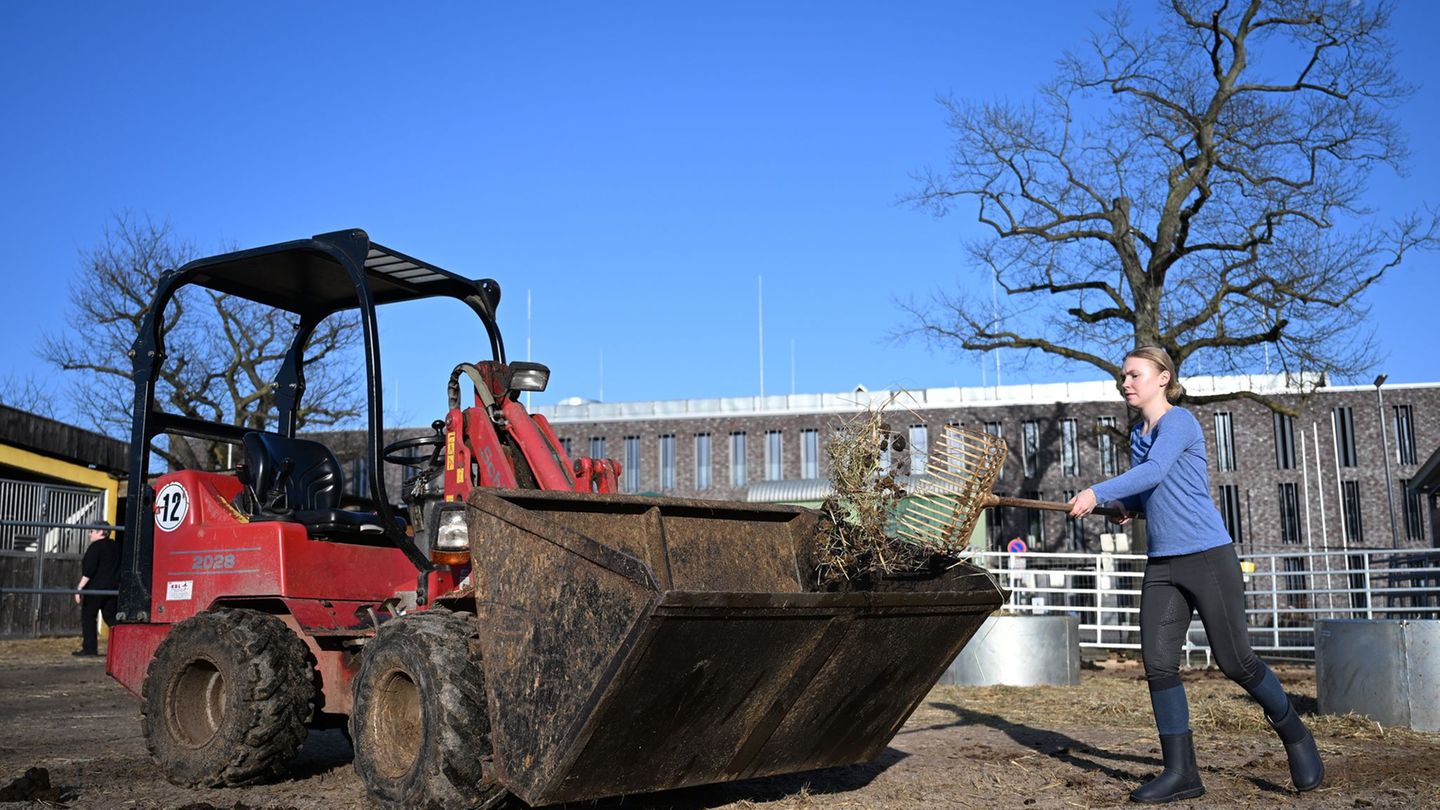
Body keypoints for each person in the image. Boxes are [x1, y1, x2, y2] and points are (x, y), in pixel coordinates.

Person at [1068, 347, 1323, 803]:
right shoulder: (1138, 433)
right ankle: (1181, 772)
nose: (1125, 383)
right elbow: (1155, 487)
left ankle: (1296, 735)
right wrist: (1126, 504)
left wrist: (1096, 491)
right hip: (1162, 562)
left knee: (1236, 662)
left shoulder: (1179, 422)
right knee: (1158, 664)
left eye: (1134, 375)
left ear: (1163, 378)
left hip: (1207, 556)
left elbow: (1156, 470)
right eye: (1123, 377)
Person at [74, 528, 121, 657]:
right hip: (113, 589)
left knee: (88, 616)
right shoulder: (116, 547)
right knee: (111, 618)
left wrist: (79, 588)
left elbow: (89, 570)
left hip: (95, 589)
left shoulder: (95, 547)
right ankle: (122, 647)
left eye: (92, 531)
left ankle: (90, 649)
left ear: (101, 532)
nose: (90, 534)